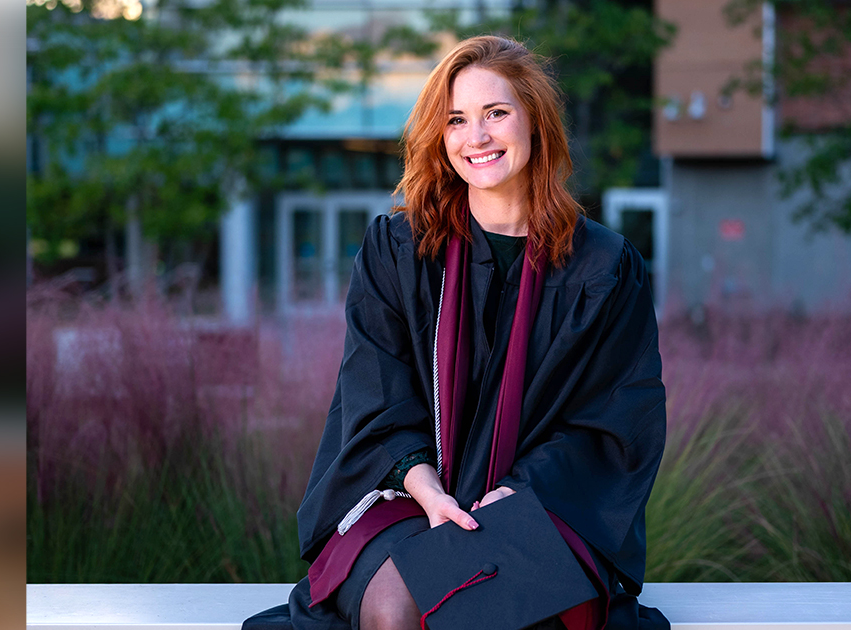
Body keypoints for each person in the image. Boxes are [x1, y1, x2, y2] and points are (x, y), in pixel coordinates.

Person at [243, 35, 667, 630]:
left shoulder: (602, 266)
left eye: (497, 113)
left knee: (489, 607)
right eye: (457, 121)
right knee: (393, 607)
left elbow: (616, 416)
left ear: (535, 122)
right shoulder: (401, 252)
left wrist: (518, 493)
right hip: (411, 495)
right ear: (440, 139)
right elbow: (376, 393)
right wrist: (430, 490)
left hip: (548, 503)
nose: (478, 137)